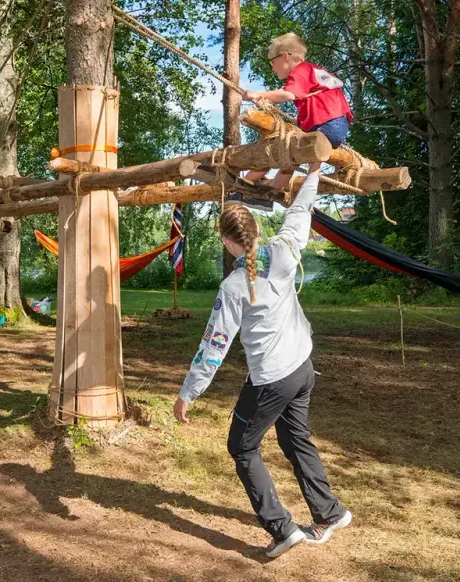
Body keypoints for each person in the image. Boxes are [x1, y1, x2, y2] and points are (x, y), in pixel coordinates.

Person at [173, 163, 351, 559]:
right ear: (254, 231)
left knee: (241, 446)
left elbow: (213, 346)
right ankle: (329, 513)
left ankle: (283, 529)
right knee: (294, 437)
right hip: (302, 368)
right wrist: (315, 170)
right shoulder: (283, 251)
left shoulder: (235, 285)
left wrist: (188, 394)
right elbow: (300, 211)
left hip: (273, 378)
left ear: (226, 240)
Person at [242, 33, 353, 191]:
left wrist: (258, 94)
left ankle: (246, 184)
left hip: (326, 126)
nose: (272, 67)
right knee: (294, 155)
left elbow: (288, 94)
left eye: (273, 61)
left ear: (285, 56)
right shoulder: (314, 71)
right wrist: (299, 121)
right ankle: (273, 189)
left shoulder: (300, 70)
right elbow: (315, 103)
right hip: (337, 126)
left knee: (283, 148)